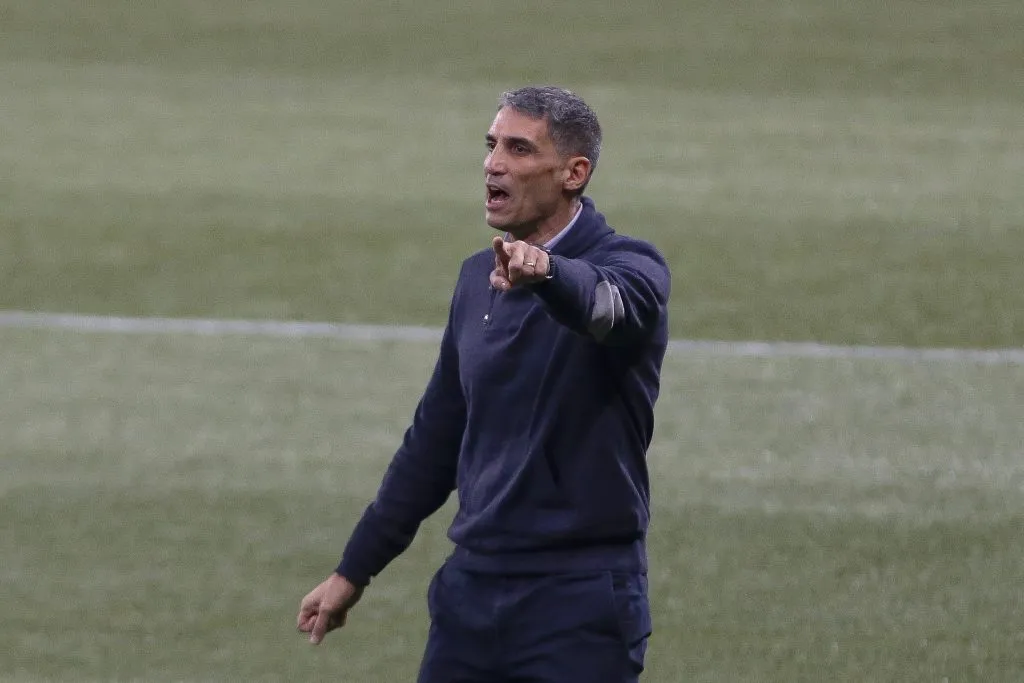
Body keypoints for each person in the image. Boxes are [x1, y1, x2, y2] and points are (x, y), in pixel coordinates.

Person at [297, 85, 671, 682]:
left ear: (575, 172)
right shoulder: (478, 277)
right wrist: (354, 570)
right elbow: (436, 439)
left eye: (520, 149)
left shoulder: (630, 265)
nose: (494, 163)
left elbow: (606, 309)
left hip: (579, 599)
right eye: (492, 144)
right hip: (470, 593)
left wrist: (546, 273)